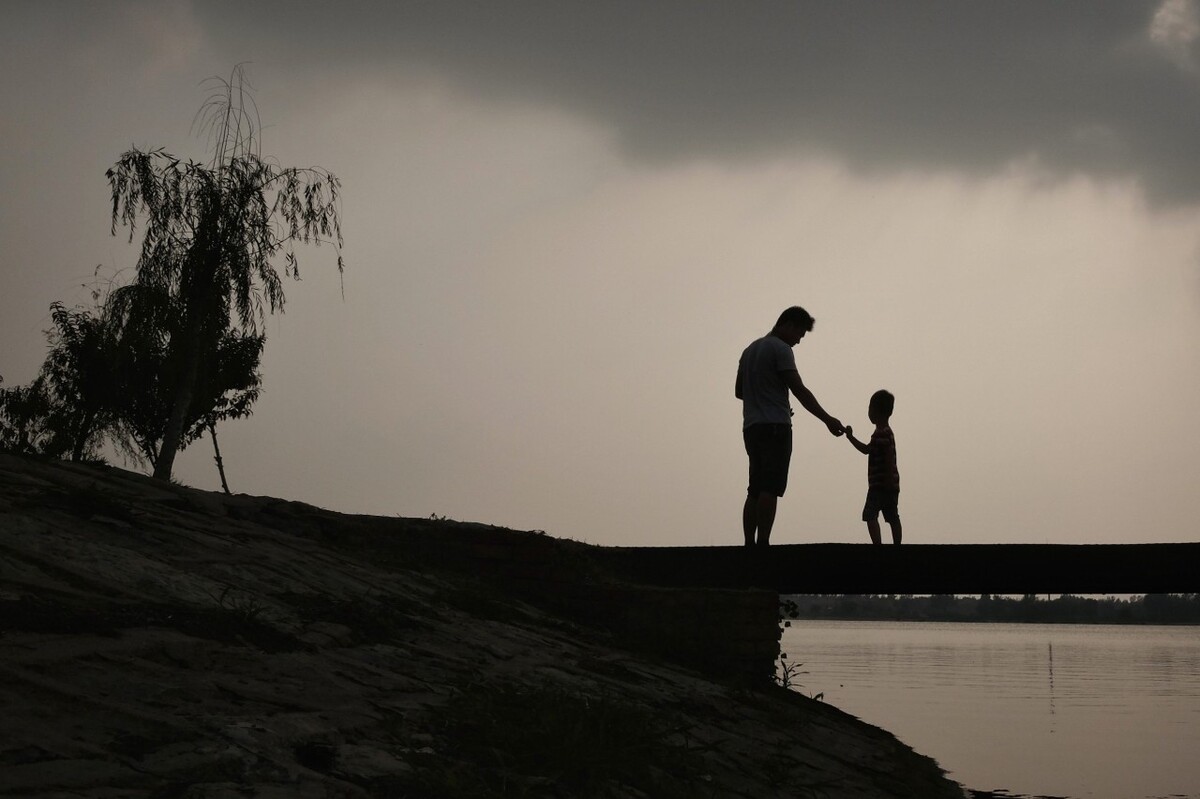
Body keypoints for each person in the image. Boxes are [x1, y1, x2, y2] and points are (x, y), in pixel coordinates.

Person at [736, 306, 844, 547]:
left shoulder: (749, 350)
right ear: (789, 325)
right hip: (775, 427)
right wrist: (828, 419)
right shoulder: (781, 349)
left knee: (754, 488)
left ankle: (748, 544)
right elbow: (800, 391)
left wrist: (767, 396)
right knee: (769, 487)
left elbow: (739, 391)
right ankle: (763, 542)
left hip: (751, 427)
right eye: (800, 334)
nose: (798, 341)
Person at [844, 389, 902, 545]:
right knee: (892, 516)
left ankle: (878, 545)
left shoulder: (880, 434)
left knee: (870, 514)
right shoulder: (887, 432)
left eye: (870, 408)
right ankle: (897, 545)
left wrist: (850, 437)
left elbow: (867, 451)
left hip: (880, 485)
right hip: (890, 484)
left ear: (876, 411)